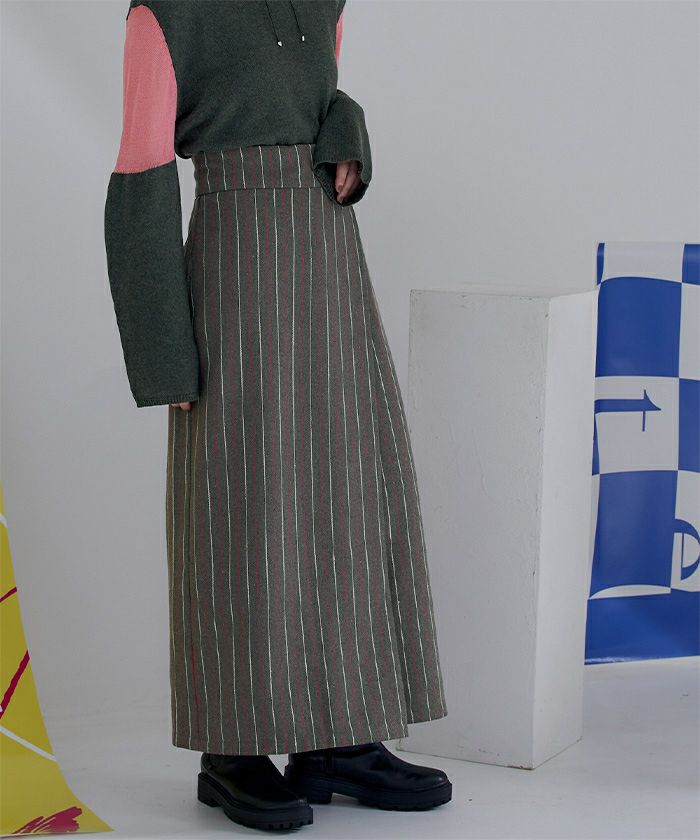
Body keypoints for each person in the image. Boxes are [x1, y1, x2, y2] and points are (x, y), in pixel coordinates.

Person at [104, 0, 451, 831]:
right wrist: (163, 351)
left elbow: (324, 99)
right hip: (235, 264)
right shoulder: (164, 14)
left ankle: (342, 740)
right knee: (242, 504)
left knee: (348, 492)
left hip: (327, 258)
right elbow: (141, 171)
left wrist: (347, 135)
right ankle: (231, 752)